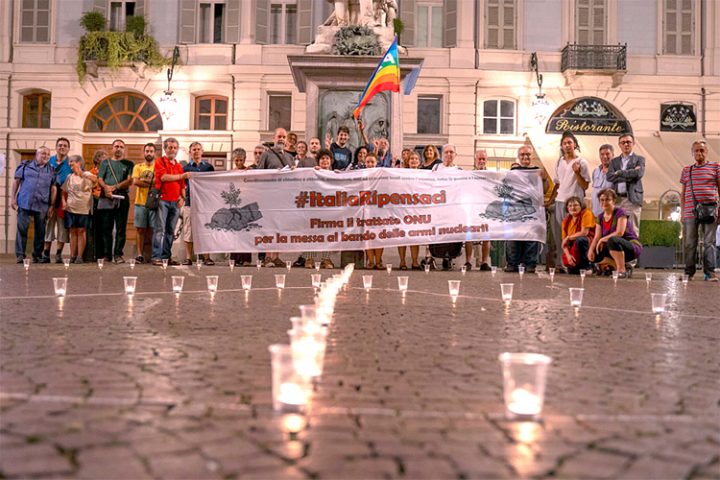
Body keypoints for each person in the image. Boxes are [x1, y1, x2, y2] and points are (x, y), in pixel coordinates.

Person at [679, 140, 720, 281]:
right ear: (692, 153)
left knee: (710, 243)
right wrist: (682, 212)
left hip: (710, 210)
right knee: (690, 242)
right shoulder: (686, 170)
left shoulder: (716, 167)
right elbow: (683, 193)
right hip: (691, 211)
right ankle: (688, 273)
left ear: (707, 152)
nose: (699, 153)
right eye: (696, 150)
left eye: (702, 150)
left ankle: (710, 273)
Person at [550, 131, 590, 269]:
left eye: (570, 143)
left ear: (575, 145)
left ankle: (574, 262)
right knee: (559, 236)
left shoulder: (581, 162)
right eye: (565, 143)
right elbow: (557, 183)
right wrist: (550, 201)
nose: (567, 145)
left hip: (574, 203)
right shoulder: (559, 162)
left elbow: (585, 185)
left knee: (573, 235)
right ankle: (561, 263)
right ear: (562, 145)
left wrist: (577, 172)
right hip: (559, 201)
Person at [11, 146, 56, 263]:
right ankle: (20, 255)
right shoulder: (25, 165)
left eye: (47, 154)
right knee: (22, 230)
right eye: (43, 153)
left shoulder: (51, 170)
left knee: (40, 231)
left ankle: (37, 255)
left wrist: (51, 205)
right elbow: (16, 181)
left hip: (42, 204)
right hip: (25, 202)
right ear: (36, 155)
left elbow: (53, 188)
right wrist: (13, 198)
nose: (45, 156)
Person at [504, 146, 544, 273]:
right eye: (522, 155)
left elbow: (546, 189)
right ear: (518, 156)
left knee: (531, 237)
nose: (525, 157)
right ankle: (512, 263)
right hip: (515, 208)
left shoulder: (538, 171)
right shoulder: (512, 171)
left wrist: (543, 180)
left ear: (532, 155)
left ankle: (530, 263)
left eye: (527, 154)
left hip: (532, 208)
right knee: (513, 236)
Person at [257, 128, 293, 267]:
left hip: (283, 198)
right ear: (274, 138)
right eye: (279, 136)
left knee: (279, 227)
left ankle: (276, 256)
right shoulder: (266, 155)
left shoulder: (289, 157)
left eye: (284, 137)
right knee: (269, 227)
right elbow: (259, 173)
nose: (281, 139)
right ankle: (267, 257)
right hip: (269, 197)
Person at [151, 137, 190, 266]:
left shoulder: (179, 166)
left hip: (175, 202)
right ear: (165, 149)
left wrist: (182, 198)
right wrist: (181, 176)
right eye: (169, 147)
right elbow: (163, 177)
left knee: (170, 231)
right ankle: (156, 256)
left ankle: (166, 257)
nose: (172, 150)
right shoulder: (160, 161)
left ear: (177, 149)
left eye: (174, 147)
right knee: (159, 229)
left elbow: (182, 185)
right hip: (163, 200)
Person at [588, 188, 642, 278]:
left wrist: (602, 239)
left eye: (608, 199)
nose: (604, 202)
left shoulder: (620, 212)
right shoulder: (600, 217)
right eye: (602, 200)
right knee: (594, 252)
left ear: (614, 201)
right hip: (612, 247)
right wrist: (590, 251)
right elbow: (596, 237)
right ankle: (622, 266)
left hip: (630, 246)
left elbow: (619, 233)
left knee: (612, 240)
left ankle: (621, 271)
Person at [97, 139, 134, 264]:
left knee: (121, 228)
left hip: (122, 197)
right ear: (112, 148)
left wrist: (115, 187)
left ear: (124, 149)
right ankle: (107, 255)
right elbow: (100, 178)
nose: (118, 148)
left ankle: (118, 254)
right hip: (107, 197)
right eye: (116, 146)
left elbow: (129, 181)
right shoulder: (105, 163)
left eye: (121, 147)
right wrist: (106, 187)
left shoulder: (129, 164)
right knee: (106, 228)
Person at [182, 142, 215, 265]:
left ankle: (207, 257)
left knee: (206, 229)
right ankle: (189, 257)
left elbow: (214, 185)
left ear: (202, 151)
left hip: (205, 204)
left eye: (198, 149)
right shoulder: (185, 169)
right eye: (193, 149)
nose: (196, 151)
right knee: (188, 230)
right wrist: (182, 198)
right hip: (190, 203)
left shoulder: (209, 168)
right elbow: (181, 186)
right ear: (190, 152)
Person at [607, 133, 645, 235]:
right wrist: (630, 173)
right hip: (617, 200)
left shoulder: (639, 159)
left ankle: (633, 251)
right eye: (623, 142)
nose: (626, 144)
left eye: (628, 142)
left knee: (633, 231)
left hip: (632, 199)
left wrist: (619, 173)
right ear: (619, 145)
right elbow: (609, 177)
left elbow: (638, 174)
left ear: (633, 143)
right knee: (617, 231)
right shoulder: (614, 161)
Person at [61, 155, 96, 263]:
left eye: (72, 162)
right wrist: (64, 202)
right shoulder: (69, 176)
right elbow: (63, 191)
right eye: (70, 162)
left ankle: (79, 256)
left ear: (79, 163)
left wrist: (81, 173)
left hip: (83, 208)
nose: (70, 164)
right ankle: (72, 255)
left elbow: (96, 180)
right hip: (71, 208)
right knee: (72, 231)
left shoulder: (87, 174)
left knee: (81, 231)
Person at [43, 137, 72, 263]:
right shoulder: (49, 161)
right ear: (56, 147)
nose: (62, 147)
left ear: (68, 148)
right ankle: (46, 253)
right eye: (60, 145)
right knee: (48, 225)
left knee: (62, 227)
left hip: (64, 198)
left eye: (65, 145)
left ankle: (59, 254)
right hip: (48, 197)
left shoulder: (71, 162)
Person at [465, 149, 492, 271]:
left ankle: (484, 262)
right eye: (479, 159)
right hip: (472, 208)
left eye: (483, 159)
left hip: (486, 209)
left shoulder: (491, 175)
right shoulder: (469, 175)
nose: (481, 161)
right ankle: (468, 261)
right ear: (475, 160)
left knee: (486, 235)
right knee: (469, 235)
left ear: (486, 160)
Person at [131, 143, 157, 264]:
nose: (149, 153)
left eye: (151, 151)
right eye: (147, 151)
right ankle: (140, 255)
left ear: (154, 153)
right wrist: (150, 182)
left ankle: (152, 254)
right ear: (144, 152)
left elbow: (158, 183)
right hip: (140, 202)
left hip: (153, 203)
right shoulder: (138, 167)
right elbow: (135, 182)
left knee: (152, 229)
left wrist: (144, 180)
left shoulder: (157, 166)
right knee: (140, 229)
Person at [397, 151, 421, 270]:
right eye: (412, 158)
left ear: (419, 162)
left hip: (417, 210)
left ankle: (415, 261)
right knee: (402, 236)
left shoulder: (424, 175)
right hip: (403, 208)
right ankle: (402, 261)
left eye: (416, 158)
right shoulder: (402, 173)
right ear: (408, 161)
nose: (414, 160)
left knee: (415, 236)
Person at [229, 148, 253, 266]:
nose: (239, 163)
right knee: (234, 231)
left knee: (246, 231)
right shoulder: (231, 173)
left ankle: (246, 259)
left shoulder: (249, 171)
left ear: (244, 160)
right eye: (236, 160)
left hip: (246, 204)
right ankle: (234, 258)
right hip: (234, 205)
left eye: (241, 160)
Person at [560, 196, 595, 274]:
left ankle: (588, 267)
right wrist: (568, 256)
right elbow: (564, 244)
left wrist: (569, 237)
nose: (573, 208)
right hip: (573, 248)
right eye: (570, 206)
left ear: (581, 206)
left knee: (581, 239)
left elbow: (584, 232)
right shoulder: (565, 221)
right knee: (572, 272)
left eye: (576, 205)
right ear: (567, 208)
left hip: (589, 243)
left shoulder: (586, 213)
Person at [84, 149, 107, 262]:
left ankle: (103, 254)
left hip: (106, 202)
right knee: (95, 229)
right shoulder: (91, 172)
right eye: (103, 158)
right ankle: (93, 254)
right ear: (97, 160)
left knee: (104, 229)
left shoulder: (107, 172)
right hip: (94, 201)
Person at [363, 152, 385, 269]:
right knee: (368, 235)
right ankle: (371, 261)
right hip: (366, 209)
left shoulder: (382, 174)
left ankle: (379, 261)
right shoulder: (359, 174)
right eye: (368, 162)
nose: (370, 164)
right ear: (364, 163)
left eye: (372, 162)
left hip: (379, 208)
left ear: (376, 163)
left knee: (379, 235)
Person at [591, 144, 614, 216]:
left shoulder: (617, 172)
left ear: (613, 155)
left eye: (607, 154)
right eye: (602, 154)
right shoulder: (595, 171)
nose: (604, 157)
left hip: (609, 215)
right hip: (595, 214)